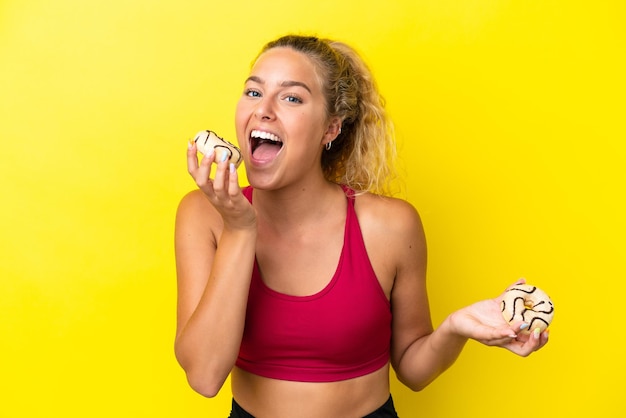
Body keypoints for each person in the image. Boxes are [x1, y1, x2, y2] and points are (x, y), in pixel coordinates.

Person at [174, 34, 549, 418]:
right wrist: (240, 229)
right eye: (253, 93)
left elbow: (413, 369)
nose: (264, 111)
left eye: (291, 98)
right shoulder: (204, 216)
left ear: (330, 129)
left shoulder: (390, 226)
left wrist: (456, 328)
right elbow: (204, 376)